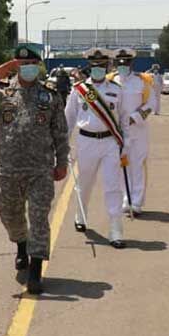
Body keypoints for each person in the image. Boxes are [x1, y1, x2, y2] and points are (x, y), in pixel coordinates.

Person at [0, 45, 69, 295]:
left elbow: (60, 133)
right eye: (21, 64)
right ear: (15, 65)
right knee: (10, 216)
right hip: (9, 169)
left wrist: (61, 162)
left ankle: (35, 270)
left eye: (32, 62)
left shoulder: (50, 96)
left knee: (39, 218)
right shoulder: (0, 93)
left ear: (39, 65)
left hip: (40, 170)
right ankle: (21, 244)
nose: (27, 67)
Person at [63, 48, 129, 249]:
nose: (98, 69)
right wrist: (63, 144)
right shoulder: (79, 90)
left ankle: (116, 229)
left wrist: (125, 144)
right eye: (95, 66)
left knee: (112, 186)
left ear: (107, 66)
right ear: (90, 67)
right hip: (86, 141)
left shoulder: (117, 90)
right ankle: (80, 215)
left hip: (110, 142)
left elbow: (124, 119)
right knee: (85, 182)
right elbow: (69, 118)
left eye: (102, 66)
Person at [111, 48, 157, 215]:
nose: (123, 66)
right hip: (117, 131)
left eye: (126, 62)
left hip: (137, 130)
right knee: (120, 164)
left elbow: (152, 104)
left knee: (137, 164)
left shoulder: (143, 81)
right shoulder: (110, 80)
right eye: (119, 63)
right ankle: (126, 197)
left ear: (131, 63)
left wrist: (135, 117)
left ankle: (136, 201)